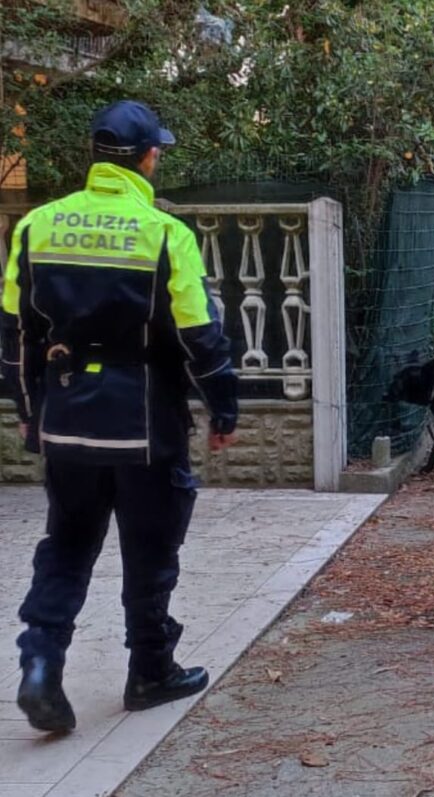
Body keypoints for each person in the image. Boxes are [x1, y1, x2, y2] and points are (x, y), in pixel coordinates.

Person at [0, 100, 238, 733]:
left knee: (67, 544)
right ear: (148, 158)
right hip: (146, 423)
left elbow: (14, 333)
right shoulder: (165, 234)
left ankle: (41, 665)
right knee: (150, 546)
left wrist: (30, 416)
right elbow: (200, 337)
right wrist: (223, 405)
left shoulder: (36, 227)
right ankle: (150, 670)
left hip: (68, 419)